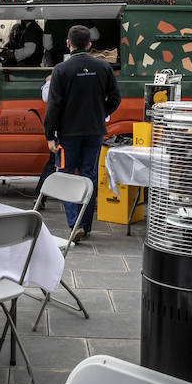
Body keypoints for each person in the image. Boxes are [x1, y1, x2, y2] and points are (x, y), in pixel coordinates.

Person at [44, 25, 121, 240]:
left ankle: (73, 223)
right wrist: (100, 113)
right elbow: (115, 98)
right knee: (89, 177)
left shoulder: (61, 69)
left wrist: (49, 134)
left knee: (65, 175)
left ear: (68, 43)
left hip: (68, 133)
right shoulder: (103, 67)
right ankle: (85, 226)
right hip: (95, 132)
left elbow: (54, 105)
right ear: (89, 45)